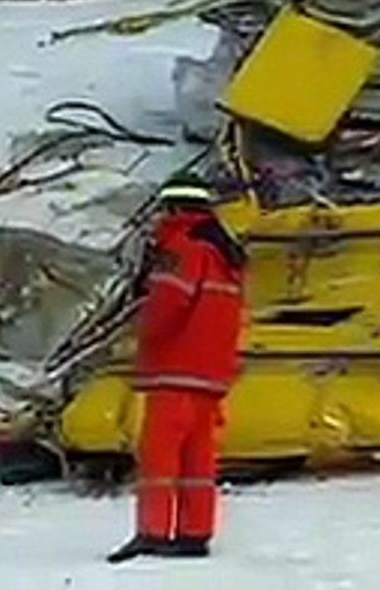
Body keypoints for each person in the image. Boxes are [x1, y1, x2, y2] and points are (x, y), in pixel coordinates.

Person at [108, 173, 246, 563]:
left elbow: (167, 305)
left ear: (174, 209)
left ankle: (153, 532)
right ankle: (194, 533)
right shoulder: (227, 254)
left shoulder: (182, 247)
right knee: (198, 463)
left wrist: (140, 328)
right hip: (210, 375)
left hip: (175, 370)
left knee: (159, 459)